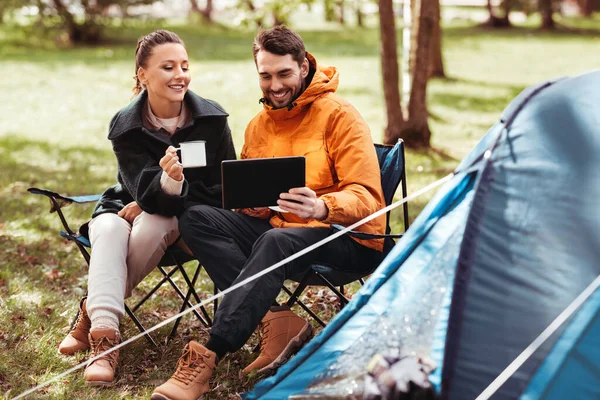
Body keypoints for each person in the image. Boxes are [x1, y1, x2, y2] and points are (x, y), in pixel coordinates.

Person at [151, 25, 386, 400]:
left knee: (276, 240)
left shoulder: (341, 116)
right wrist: (250, 204)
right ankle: (277, 320)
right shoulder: (259, 125)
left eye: (284, 74)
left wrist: (323, 206)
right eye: (265, 75)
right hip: (280, 232)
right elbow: (251, 193)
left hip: (346, 238)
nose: (274, 85)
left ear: (304, 68)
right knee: (196, 216)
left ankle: (210, 351)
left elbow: (370, 197)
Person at [56, 29, 236, 386]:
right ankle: (105, 343)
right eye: (168, 67)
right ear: (143, 75)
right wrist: (150, 194)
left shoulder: (212, 120)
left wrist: (165, 190)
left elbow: (222, 188)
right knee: (107, 228)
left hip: (184, 217)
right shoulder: (126, 125)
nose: (180, 74)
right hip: (125, 206)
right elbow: (137, 184)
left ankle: (92, 315)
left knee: (155, 222)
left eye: (184, 65)